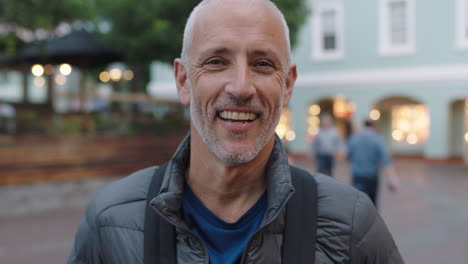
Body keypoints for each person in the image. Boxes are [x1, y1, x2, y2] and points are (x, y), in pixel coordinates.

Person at [68, 0, 403, 263]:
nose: (241, 87)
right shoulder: (110, 220)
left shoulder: (352, 225)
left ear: (287, 86)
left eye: (262, 64)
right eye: (216, 61)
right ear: (183, 81)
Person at [347, 119, 400, 206]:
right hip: (371, 176)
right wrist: (392, 178)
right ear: (374, 127)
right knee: (373, 204)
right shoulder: (377, 139)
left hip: (357, 175)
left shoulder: (354, 139)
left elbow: (347, 155)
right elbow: (386, 160)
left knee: (357, 204)